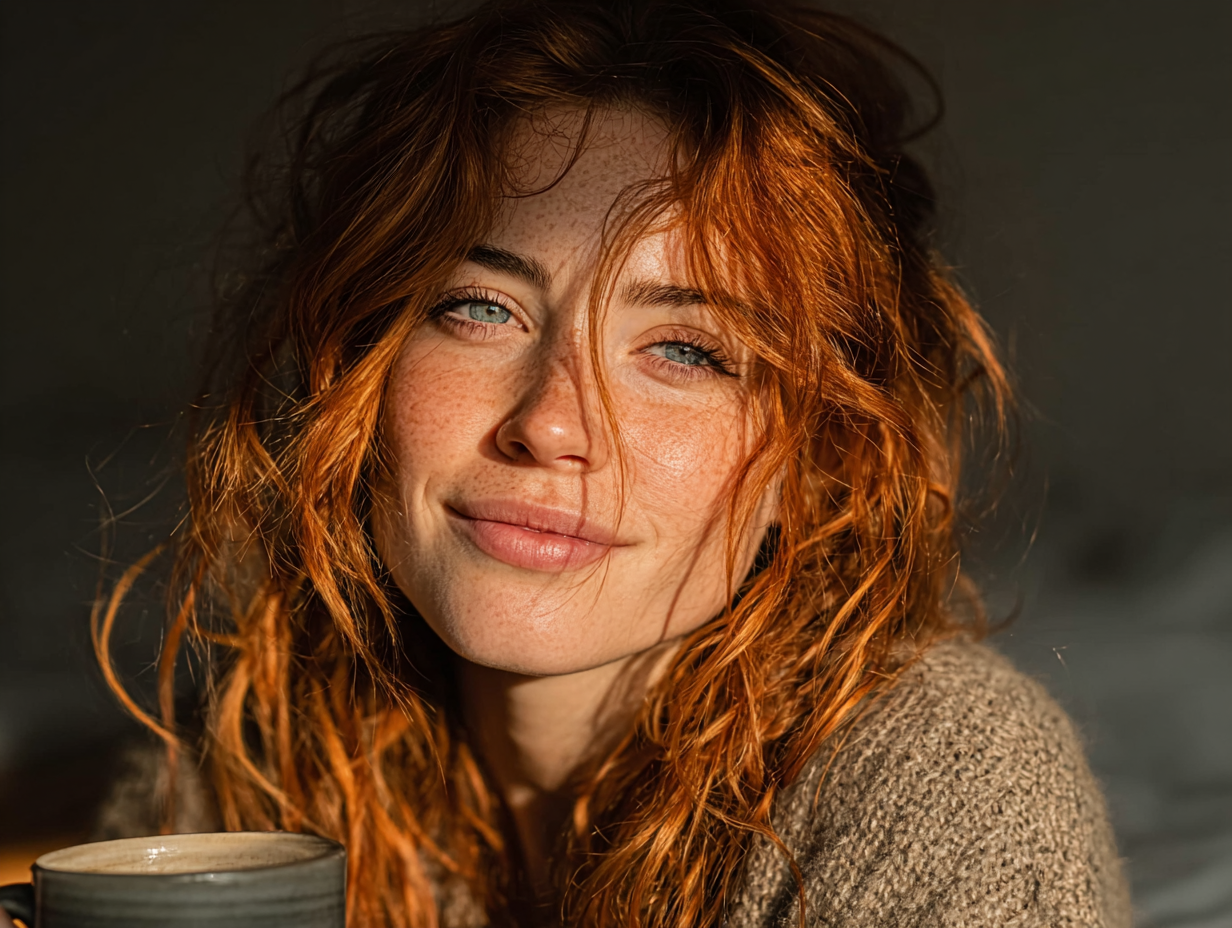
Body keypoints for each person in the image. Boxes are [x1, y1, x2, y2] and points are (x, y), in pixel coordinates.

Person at [79, 0, 1131, 926]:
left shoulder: (948, 785)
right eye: (480, 308)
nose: (550, 425)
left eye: (687, 351)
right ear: (359, 365)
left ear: (822, 455)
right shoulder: (259, 748)